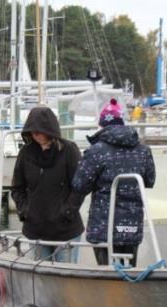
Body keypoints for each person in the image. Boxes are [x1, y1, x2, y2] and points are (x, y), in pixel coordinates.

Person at [73, 98, 155, 267]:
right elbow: (150, 180)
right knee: (129, 272)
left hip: (104, 226)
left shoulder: (96, 151)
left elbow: (79, 185)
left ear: (102, 125)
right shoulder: (143, 151)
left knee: (107, 275)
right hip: (132, 224)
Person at [11, 106, 84, 262]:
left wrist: (67, 211)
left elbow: (80, 187)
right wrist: (25, 211)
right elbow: (17, 188)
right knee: (40, 278)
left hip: (66, 230)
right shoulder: (25, 153)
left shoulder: (69, 151)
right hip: (35, 229)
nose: (35, 134)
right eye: (32, 130)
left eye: (39, 130)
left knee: (65, 278)